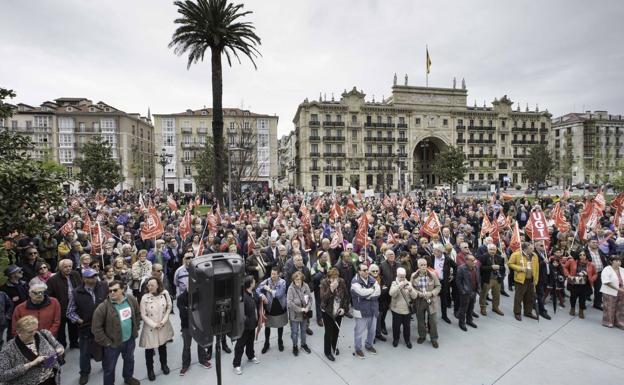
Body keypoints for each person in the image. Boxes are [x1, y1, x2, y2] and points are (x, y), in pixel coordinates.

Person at [91, 280, 141, 385]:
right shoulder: (103, 307)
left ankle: (128, 378)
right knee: (109, 368)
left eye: (115, 290)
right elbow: (96, 328)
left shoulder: (131, 299)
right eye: (110, 291)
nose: (112, 293)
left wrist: (135, 328)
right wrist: (107, 342)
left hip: (129, 340)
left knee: (129, 360)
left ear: (123, 289)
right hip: (112, 345)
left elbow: (137, 313)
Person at [67, 268, 109, 385]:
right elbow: (70, 312)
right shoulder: (76, 293)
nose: (95, 278)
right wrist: (80, 321)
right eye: (91, 276)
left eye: (95, 275)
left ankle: (107, 367)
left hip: (102, 327)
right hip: (86, 328)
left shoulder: (104, 286)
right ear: (84, 279)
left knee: (105, 349)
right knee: (85, 352)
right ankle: (84, 373)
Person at [0, 315, 64, 385]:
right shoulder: (8, 349)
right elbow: (2, 375)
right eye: (30, 332)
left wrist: (60, 349)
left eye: (35, 329)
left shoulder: (44, 334)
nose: (34, 333)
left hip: (52, 380)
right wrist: (31, 364)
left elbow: (57, 345)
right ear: (19, 332)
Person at [176, 254, 210, 375]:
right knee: (186, 346)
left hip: (199, 323)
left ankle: (203, 360)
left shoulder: (200, 296)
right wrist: (194, 310)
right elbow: (184, 313)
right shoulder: (181, 298)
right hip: (186, 326)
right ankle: (185, 365)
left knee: (201, 343)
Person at [139, 277, 173, 381]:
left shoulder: (164, 293)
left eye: (152, 285)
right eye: (148, 285)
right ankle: (150, 370)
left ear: (158, 285)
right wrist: (154, 325)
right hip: (151, 328)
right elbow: (143, 315)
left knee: (163, 347)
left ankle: (164, 365)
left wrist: (163, 321)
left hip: (163, 325)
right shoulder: (145, 297)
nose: (150, 287)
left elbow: (169, 307)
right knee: (149, 351)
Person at [46, 258, 81, 348]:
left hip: (73, 307)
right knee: (61, 330)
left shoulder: (75, 274)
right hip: (61, 308)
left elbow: (80, 287)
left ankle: (74, 343)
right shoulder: (53, 280)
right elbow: (48, 295)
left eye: (70, 266)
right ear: (60, 268)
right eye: (65, 267)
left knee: (73, 327)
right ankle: (62, 346)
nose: (68, 268)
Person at [351, 263, 381, 358]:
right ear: (359, 271)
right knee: (359, 331)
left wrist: (367, 295)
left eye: (367, 269)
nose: (367, 271)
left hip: (373, 309)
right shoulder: (355, 282)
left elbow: (378, 292)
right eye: (364, 270)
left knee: (372, 330)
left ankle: (369, 345)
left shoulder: (372, 280)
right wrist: (372, 290)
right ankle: (358, 348)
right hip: (361, 311)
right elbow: (361, 293)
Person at [232, 275, 260, 375]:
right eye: (253, 281)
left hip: (253, 324)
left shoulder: (253, 292)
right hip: (245, 326)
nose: (255, 282)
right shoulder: (242, 296)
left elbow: (257, 300)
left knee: (250, 342)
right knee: (240, 345)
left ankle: (251, 356)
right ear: (250, 283)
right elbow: (240, 312)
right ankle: (236, 364)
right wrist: (247, 321)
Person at [319, 268, 349, 361]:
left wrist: (344, 308)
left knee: (336, 330)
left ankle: (334, 345)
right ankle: (327, 351)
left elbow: (346, 296)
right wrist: (331, 289)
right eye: (332, 278)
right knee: (328, 332)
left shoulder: (342, 282)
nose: (334, 280)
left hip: (338, 311)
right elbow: (323, 298)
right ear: (328, 278)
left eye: (336, 278)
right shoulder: (324, 283)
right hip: (327, 311)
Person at [411, 259, 441, 347]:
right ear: (418, 266)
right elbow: (411, 287)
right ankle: (422, 336)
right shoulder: (413, 276)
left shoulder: (433, 275)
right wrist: (418, 293)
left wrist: (431, 293)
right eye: (422, 265)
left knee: (433, 321)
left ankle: (434, 338)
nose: (424, 267)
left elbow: (438, 286)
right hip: (419, 301)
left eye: (425, 265)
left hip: (431, 301)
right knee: (420, 320)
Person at [256, 267, 287, 354]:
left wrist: (268, 289)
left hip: (280, 307)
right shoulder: (266, 281)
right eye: (272, 274)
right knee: (267, 326)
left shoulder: (282, 282)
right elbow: (257, 289)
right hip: (269, 307)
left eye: (274, 274)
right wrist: (262, 295)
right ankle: (267, 343)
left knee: (280, 325)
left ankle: (280, 341)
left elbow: (278, 294)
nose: (272, 276)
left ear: (278, 274)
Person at [508, 242, 539, 321]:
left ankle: (528, 312)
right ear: (525, 249)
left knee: (529, 297)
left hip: (531, 279)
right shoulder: (516, 254)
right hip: (521, 280)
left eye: (532, 248)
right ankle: (517, 312)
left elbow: (537, 268)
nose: (533, 250)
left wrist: (536, 279)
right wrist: (520, 268)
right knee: (519, 297)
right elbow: (510, 264)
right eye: (531, 248)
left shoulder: (534, 256)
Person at [563, 250, 596, 319]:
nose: (582, 256)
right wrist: (568, 275)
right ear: (578, 255)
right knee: (573, 297)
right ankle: (572, 308)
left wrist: (592, 279)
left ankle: (581, 311)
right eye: (580, 255)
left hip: (585, 284)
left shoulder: (591, 264)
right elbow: (565, 268)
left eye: (584, 255)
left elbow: (595, 274)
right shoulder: (572, 261)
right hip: (574, 283)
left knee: (583, 298)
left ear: (587, 255)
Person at [389, 267, 416, 348]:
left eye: (403, 276)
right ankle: (396, 339)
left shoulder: (409, 283)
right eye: (400, 276)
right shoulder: (394, 283)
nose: (402, 278)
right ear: (397, 275)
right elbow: (391, 293)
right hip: (396, 310)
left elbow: (415, 296)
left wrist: (411, 290)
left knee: (407, 327)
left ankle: (407, 340)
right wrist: (399, 286)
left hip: (407, 310)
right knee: (396, 326)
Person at [286, 271, 312, 356]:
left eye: (299, 279)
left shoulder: (306, 286)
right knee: (295, 332)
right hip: (295, 315)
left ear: (302, 279)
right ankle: (295, 346)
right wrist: (300, 309)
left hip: (304, 314)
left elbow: (310, 299)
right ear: (293, 279)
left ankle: (303, 344)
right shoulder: (291, 288)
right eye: (296, 279)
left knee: (303, 330)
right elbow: (289, 303)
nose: (297, 281)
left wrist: (308, 307)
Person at [479, 244, 505, 317]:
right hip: (487, 279)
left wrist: (499, 267)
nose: (492, 251)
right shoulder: (483, 257)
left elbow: (503, 268)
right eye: (491, 249)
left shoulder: (499, 257)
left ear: (496, 250)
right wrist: (491, 267)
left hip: (497, 279)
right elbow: (480, 268)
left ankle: (495, 307)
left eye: (494, 249)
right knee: (484, 294)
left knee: (497, 295)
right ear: (487, 250)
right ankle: (483, 308)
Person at [456, 254, 479, 331]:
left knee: (471, 308)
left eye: (474, 260)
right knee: (463, 309)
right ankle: (461, 323)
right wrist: (462, 291)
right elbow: (458, 282)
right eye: (472, 260)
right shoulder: (461, 268)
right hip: (465, 293)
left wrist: (478, 289)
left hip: (474, 291)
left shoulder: (475, 267)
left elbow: (478, 278)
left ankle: (469, 321)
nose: (474, 262)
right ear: (466, 261)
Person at [600, 255, 624, 328]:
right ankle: (608, 322)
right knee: (609, 307)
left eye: (619, 261)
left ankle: (619, 322)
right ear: (611, 261)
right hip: (609, 291)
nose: (618, 262)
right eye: (616, 261)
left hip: (621, 292)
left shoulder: (622, 269)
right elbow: (606, 282)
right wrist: (618, 289)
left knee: (620, 308)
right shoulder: (607, 269)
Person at [378, 249, 398, 340]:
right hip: (386, 292)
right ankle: (382, 325)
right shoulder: (382, 265)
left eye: (393, 254)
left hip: (396, 291)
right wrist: (382, 286)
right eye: (389, 254)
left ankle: (396, 328)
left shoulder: (399, 265)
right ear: (386, 256)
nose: (391, 256)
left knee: (396, 311)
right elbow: (378, 277)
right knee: (384, 310)